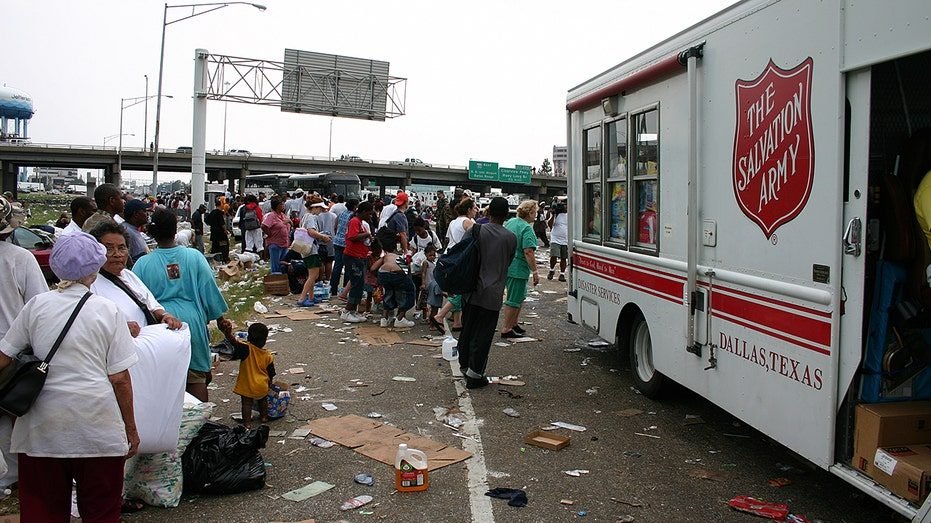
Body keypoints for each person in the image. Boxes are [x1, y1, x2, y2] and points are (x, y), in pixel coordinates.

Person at [0, 232, 139, 522]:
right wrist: (130, 429)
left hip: (42, 432)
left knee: (42, 512)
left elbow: (4, 357)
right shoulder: (108, 310)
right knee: (101, 512)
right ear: (94, 268)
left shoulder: (36, 306)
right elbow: (120, 379)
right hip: (97, 428)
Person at [133, 209, 229, 402]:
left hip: (160, 324)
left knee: (167, 381)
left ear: (153, 232)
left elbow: (136, 299)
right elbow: (209, 288)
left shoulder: (142, 264)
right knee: (197, 376)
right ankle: (200, 419)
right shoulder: (194, 256)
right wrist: (220, 319)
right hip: (192, 322)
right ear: (175, 230)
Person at [0, 197, 47, 490]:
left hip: (9, 347)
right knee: (11, 412)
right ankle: (12, 475)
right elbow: (38, 305)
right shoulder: (20, 258)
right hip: (12, 350)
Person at [457, 197, 517, 389]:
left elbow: (462, 253)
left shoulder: (476, 230)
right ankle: (475, 374)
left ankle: (464, 364)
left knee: (468, 329)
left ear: (488, 212)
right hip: (493, 293)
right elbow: (508, 261)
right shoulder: (510, 238)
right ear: (506, 215)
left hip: (471, 290)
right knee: (483, 333)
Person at [218, 320, 274, 428]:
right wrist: (269, 382)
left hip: (248, 385)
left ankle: (247, 423)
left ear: (248, 338)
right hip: (262, 385)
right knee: (263, 400)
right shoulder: (268, 355)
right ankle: (264, 417)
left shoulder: (246, 349)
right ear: (265, 340)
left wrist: (228, 333)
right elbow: (271, 372)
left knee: (246, 404)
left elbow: (234, 342)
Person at [434, 198, 478, 331]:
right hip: (462, 259)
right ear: (469, 209)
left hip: (451, 257)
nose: (476, 210)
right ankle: (440, 316)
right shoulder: (468, 222)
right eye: (474, 208)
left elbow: (448, 239)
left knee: (455, 289)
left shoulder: (453, 222)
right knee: (461, 289)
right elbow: (477, 238)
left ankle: (457, 322)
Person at [501, 200, 540, 338]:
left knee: (519, 296)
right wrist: (535, 271)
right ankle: (506, 328)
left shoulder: (511, 222)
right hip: (518, 267)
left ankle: (514, 323)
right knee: (514, 299)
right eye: (535, 212)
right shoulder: (526, 228)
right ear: (530, 213)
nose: (536, 215)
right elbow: (528, 251)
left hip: (508, 264)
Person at [340, 201, 374, 323]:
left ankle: (353, 311)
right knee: (356, 284)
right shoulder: (355, 221)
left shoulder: (360, 222)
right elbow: (352, 237)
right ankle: (347, 311)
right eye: (369, 214)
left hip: (359, 256)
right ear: (363, 212)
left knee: (359, 285)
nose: (370, 216)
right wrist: (366, 234)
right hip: (353, 256)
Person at [295, 197, 332, 307]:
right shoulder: (311, 217)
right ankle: (302, 298)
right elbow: (311, 232)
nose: (321, 211)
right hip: (311, 250)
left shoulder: (305, 216)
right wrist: (323, 236)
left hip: (305, 249)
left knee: (310, 275)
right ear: (315, 208)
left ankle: (311, 297)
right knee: (314, 275)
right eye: (320, 208)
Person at [373, 237, 416, 328]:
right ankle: (400, 319)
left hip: (383, 273)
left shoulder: (386, 256)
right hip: (397, 273)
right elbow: (406, 271)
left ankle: (384, 319)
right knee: (410, 292)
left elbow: (373, 268)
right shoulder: (401, 257)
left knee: (389, 293)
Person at [330, 198, 358, 298]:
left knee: (337, 266)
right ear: (354, 207)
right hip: (346, 244)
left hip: (337, 242)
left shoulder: (342, 214)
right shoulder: (353, 216)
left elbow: (335, 226)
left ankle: (333, 289)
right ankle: (344, 289)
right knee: (348, 267)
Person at [262, 197, 291, 274]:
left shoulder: (283, 215)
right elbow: (264, 226)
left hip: (284, 243)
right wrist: (269, 233)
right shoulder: (272, 216)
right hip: (275, 244)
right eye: (281, 204)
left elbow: (288, 223)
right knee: (276, 266)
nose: (283, 205)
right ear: (277, 206)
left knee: (283, 264)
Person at [411, 244, 438, 324]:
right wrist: (423, 283)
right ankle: (424, 317)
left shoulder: (433, 263)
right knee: (424, 303)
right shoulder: (426, 263)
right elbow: (423, 273)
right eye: (430, 255)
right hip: (427, 285)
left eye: (434, 255)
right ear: (426, 254)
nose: (432, 257)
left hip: (432, 285)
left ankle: (429, 317)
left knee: (430, 303)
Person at [122, 198, 153, 265]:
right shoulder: (127, 232)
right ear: (136, 214)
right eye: (145, 211)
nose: (147, 214)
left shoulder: (132, 229)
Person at [548, 199, 569, 281]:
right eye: (563, 205)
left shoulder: (570, 215)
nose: (564, 207)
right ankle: (551, 270)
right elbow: (550, 225)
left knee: (564, 258)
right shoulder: (557, 214)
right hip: (555, 239)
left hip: (565, 240)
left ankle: (562, 274)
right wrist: (553, 214)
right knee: (554, 255)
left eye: (566, 205)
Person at [204, 198, 230, 263]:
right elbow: (222, 224)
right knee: (224, 245)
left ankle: (214, 259)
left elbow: (206, 220)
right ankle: (224, 258)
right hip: (220, 234)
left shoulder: (212, 212)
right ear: (221, 205)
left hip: (213, 233)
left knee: (215, 246)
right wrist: (225, 231)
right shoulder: (219, 213)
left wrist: (212, 225)